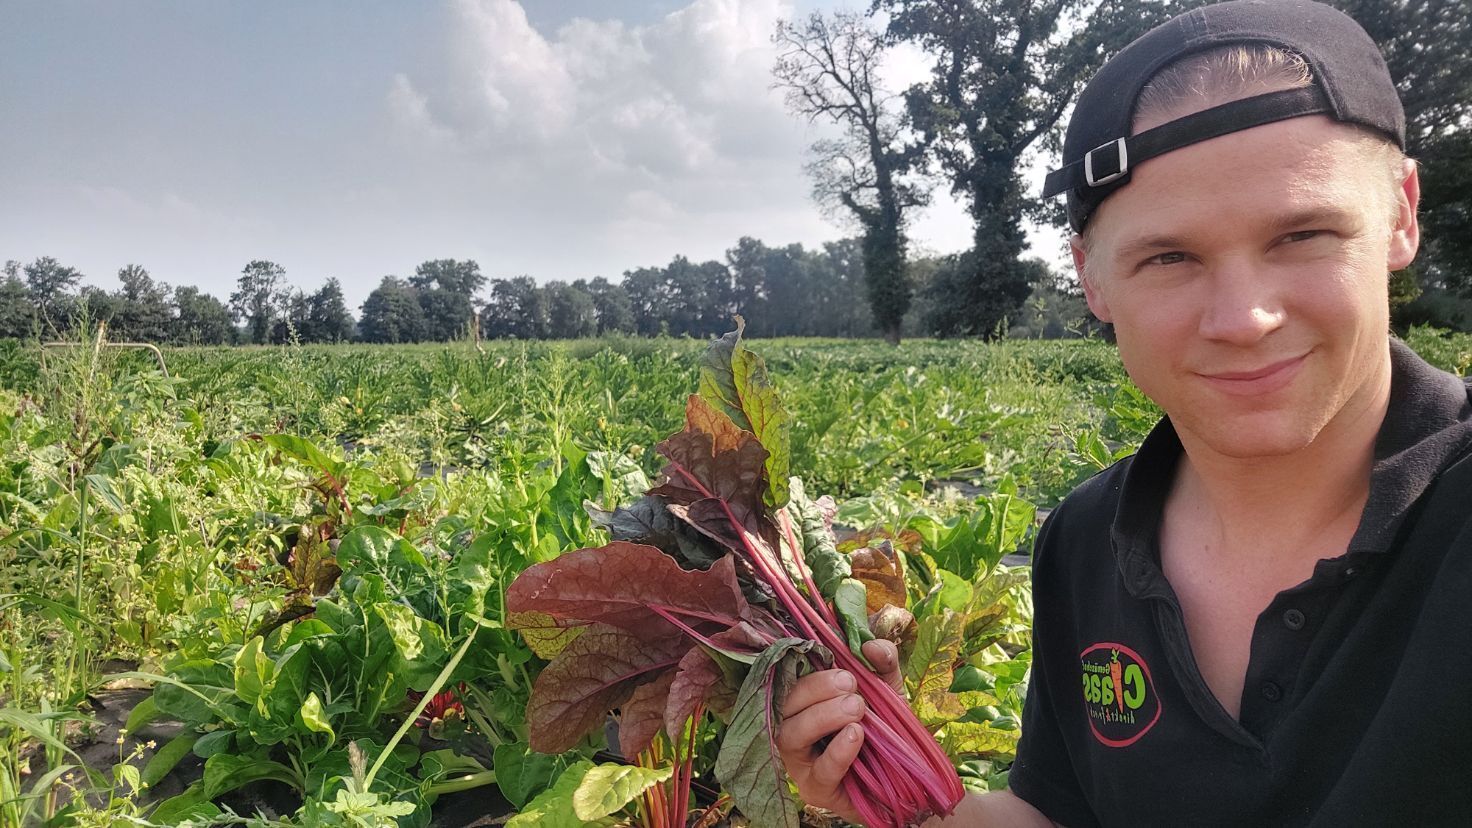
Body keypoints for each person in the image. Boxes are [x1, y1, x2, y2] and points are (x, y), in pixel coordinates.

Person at [777, 1, 1472, 824]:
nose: (1243, 318)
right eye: (1170, 257)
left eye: (1303, 235)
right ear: (1092, 279)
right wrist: (890, 784)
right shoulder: (1084, 538)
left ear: (1401, 213)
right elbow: (1057, 815)